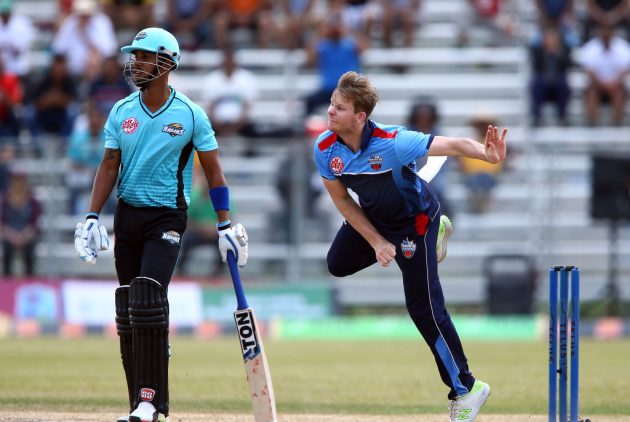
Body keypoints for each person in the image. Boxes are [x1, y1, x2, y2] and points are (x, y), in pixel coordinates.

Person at [73, 28, 248, 422]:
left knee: (147, 298)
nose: (135, 63)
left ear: (167, 61)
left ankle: (150, 402)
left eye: (144, 56)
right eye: (133, 56)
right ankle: (140, 404)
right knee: (129, 311)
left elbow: (216, 174)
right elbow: (108, 165)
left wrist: (225, 224)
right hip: (128, 215)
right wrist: (91, 216)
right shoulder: (122, 111)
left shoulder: (190, 114)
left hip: (167, 216)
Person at [313, 71, 507, 422]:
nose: (330, 112)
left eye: (339, 108)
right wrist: (376, 242)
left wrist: (487, 155)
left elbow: (455, 145)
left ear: (360, 116)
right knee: (337, 263)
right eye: (331, 104)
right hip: (376, 220)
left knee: (424, 308)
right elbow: (342, 200)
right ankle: (425, 245)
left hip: (415, 222)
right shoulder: (325, 148)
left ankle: (467, 388)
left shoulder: (393, 142)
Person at [0, 171, 42, 277]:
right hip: (9, 235)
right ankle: (7, 280)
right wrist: (12, 236)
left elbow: (34, 224)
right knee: (7, 249)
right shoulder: (5, 200)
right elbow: (2, 223)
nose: (18, 185)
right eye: (15, 181)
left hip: (27, 235)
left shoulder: (33, 201)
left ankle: (29, 278)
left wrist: (23, 236)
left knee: (29, 251)